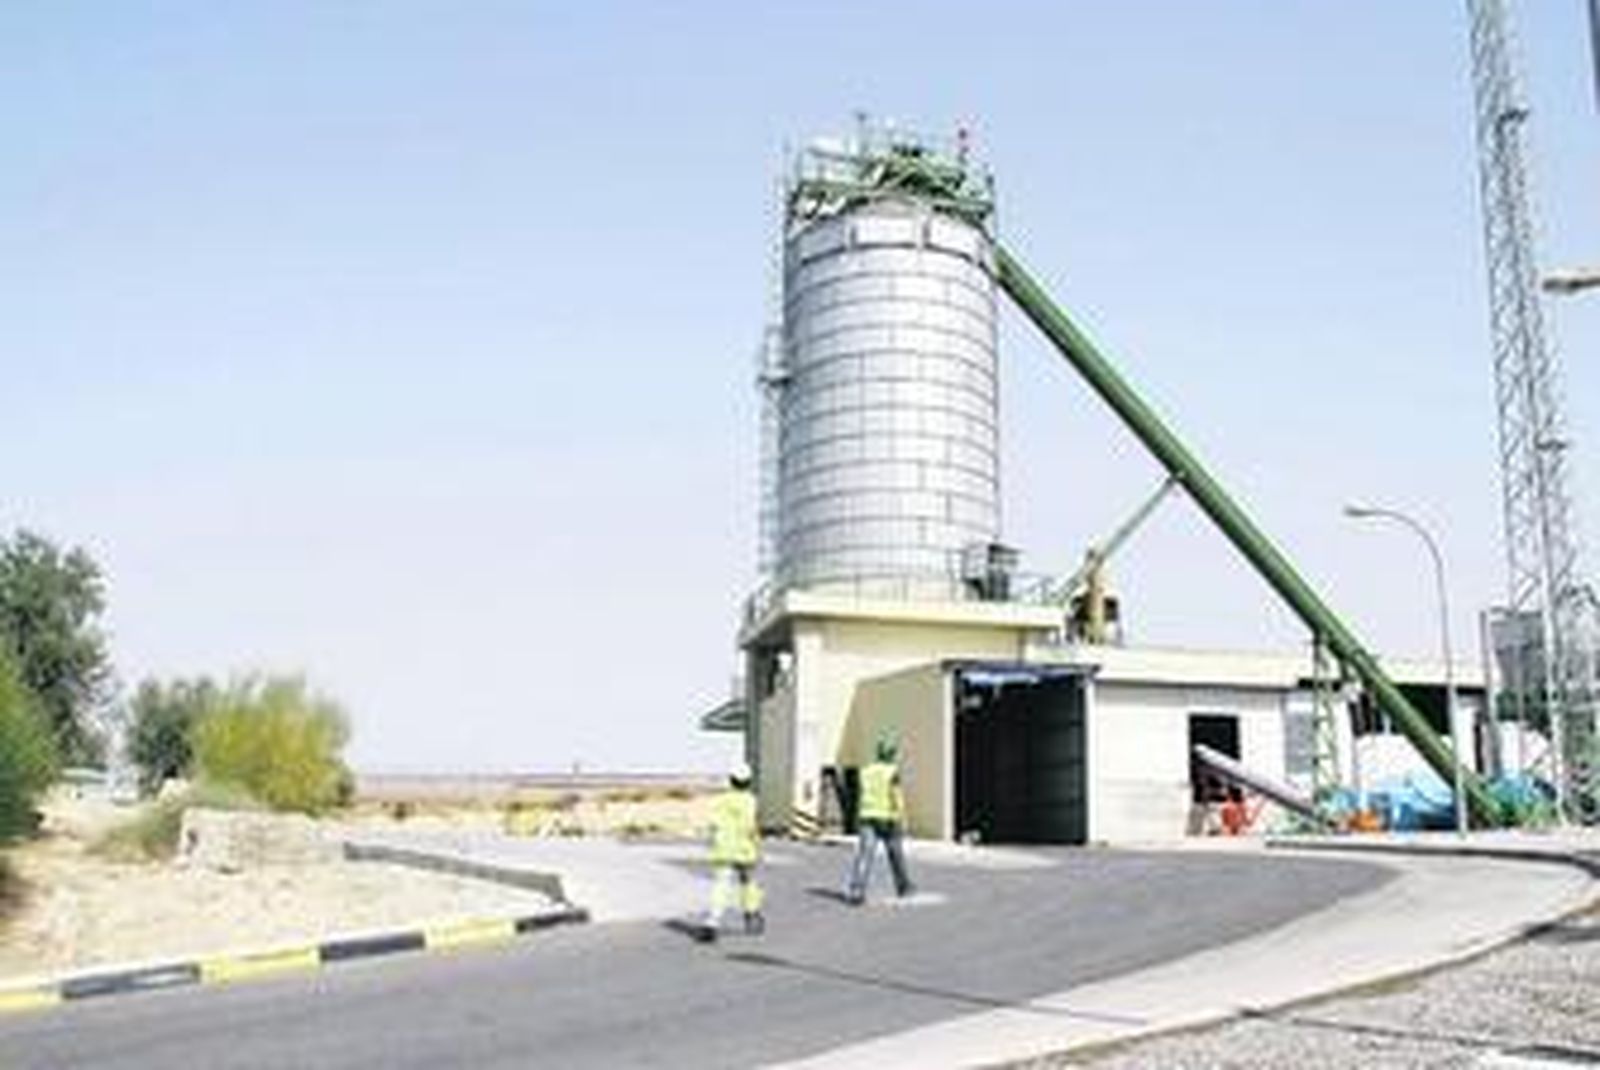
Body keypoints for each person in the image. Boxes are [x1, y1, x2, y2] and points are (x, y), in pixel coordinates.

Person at [843, 737, 915, 905]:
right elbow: (895, 795)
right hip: (888, 818)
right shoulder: (892, 772)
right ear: (892, 754)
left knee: (864, 855)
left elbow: (861, 794)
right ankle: (903, 886)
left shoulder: (867, 771)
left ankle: (857, 890)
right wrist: (902, 817)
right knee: (896, 855)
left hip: (867, 816)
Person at [698, 760, 764, 942]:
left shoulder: (720, 800)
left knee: (721, 885)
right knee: (748, 882)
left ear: (731, 780)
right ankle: (751, 914)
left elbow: (713, 824)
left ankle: (712, 921)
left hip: (723, 848)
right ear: (749, 781)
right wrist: (757, 844)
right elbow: (751, 826)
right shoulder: (750, 800)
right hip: (744, 848)